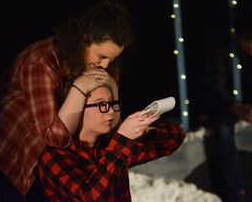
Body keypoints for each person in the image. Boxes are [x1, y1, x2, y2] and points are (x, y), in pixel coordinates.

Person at [0, 0, 135, 202]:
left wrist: (113, 90)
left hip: (59, 153)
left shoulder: (106, 65)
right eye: (101, 56)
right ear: (83, 40)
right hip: (12, 148)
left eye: (113, 58)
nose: (106, 65)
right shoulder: (41, 62)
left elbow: (112, 122)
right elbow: (55, 138)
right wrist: (80, 88)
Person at [38, 83, 186, 201]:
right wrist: (121, 140)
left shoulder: (108, 145)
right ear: (77, 109)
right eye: (101, 104)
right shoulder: (54, 154)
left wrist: (147, 131)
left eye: (111, 103)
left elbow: (174, 139)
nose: (110, 111)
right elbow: (92, 197)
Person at [203, 5, 252, 202]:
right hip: (225, 106)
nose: (251, 48)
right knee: (223, 130)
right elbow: (214, 86)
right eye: (248, 42)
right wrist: (234, 106)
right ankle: (235, 191)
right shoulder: (222, 47)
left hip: (246, 105)